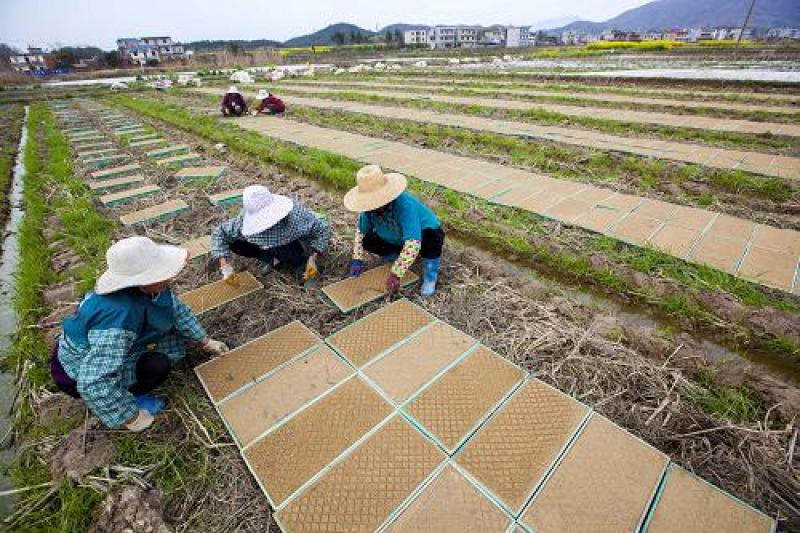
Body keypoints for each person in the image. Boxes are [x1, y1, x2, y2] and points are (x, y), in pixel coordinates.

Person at [51, 237, 229, 432]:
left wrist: (205, 340)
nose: (167, 277)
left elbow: (176, 311)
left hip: (100, 352)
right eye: (160, 273)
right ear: (141, 281)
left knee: (175, 340)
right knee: (158, 365)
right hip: (76, 372)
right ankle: (131, 396)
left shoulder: (151, 289)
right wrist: (130, 417)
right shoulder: (119, 319)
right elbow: (94, 380)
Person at [344, 165, 444, 297]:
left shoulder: (404, 205)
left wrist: (396, 273)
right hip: (396, 238)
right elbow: (360, 233)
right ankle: (397, 257)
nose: (374, 206)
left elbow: (413, 242)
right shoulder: (368, 211)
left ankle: (430, 276)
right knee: (368, 240)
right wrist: (357, 259)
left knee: (432, 237)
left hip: (420, 234)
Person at [211, 185, 330, 287]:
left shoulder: (296, 215)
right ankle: (273, 260)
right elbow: (220, 233)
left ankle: (303, 266)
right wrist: (224, 266)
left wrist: (313, 257)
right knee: (236, 243)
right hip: (269, 247)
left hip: (293, 244)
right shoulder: (242, 223)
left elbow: (323, 229)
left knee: (289, 252)